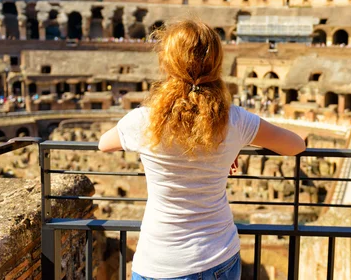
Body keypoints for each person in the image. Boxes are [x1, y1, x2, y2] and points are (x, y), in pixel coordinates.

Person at [98, 19, 306, 280]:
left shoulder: (143, 121)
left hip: (160, 262)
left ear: (166, 63)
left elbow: (103, 144)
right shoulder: (236, 120)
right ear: (216, 64)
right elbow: (296, 145)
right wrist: (236, 144)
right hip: (220, 256)